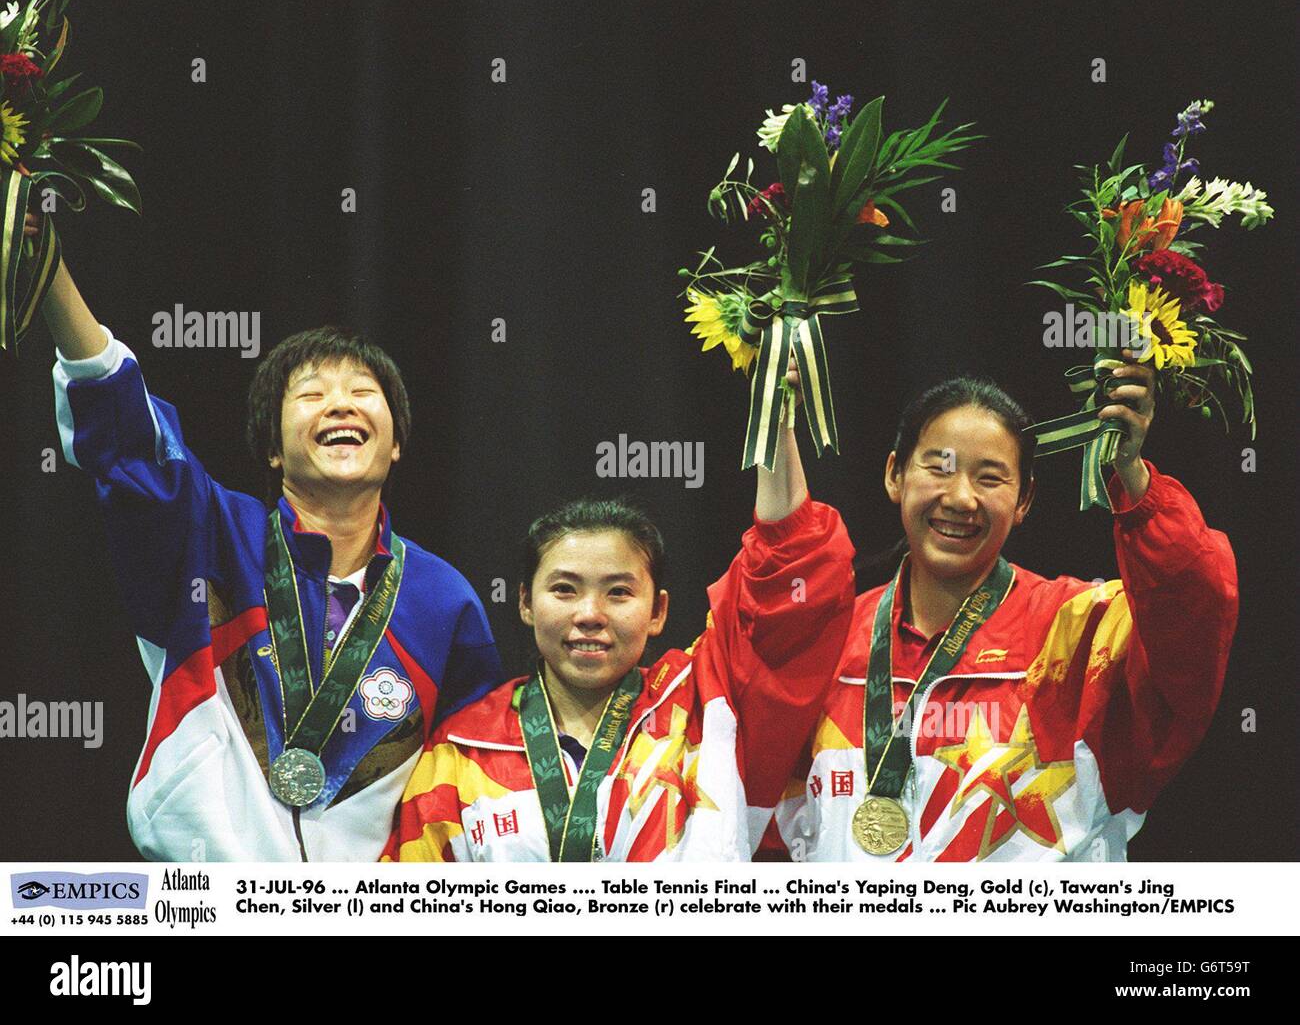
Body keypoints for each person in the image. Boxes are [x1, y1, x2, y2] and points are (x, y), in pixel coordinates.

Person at [37, 225, 502, 861]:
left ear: (395, 444)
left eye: (363, 393)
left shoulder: (445, 599)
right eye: (311, 394)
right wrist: (50, 272)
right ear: (276, 452)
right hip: (204, 902)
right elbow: (131, 442)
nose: (340, 406)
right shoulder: (211, 536)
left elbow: (472, 781)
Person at [766, 353, 1238, 861]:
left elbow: (1194, 610)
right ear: (895, 475)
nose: (961, 497)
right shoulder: (826, 645)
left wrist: (1133, 478)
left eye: (990, 478)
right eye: (939, 467)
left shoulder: (1080, 635)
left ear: (1024, 500)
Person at [383, 360, 856, 861]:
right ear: (524, 602)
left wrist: (774, 421)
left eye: (619, 593)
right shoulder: (462, 750)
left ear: (659, 611)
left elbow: (791, 579)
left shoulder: (705, 705)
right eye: (564, 590)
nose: (590, 613)